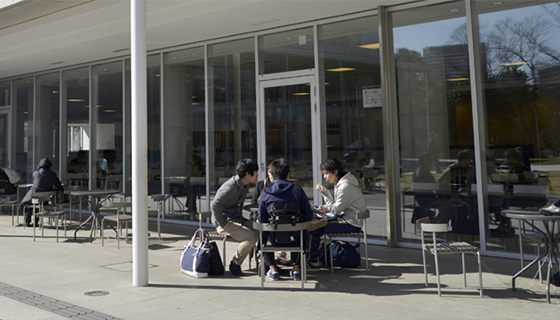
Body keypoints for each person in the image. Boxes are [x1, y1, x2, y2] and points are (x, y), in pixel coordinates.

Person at [258, 158, 313, 280]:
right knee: (300, 231)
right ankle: (296, 270)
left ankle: (272, 270)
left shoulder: (265, 193)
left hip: (273, 238)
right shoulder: (297, 190)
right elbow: (308, 216)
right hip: (294, 238)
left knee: (263, 234)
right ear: (288, 174)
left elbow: (262, 220)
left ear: (270, 174)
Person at [308, 158, 366, 268]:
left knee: (315, 227)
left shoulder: (345, 186)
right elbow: (336, 207)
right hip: (346, 219)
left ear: (335, 172)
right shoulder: (343, 183)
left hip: (350, 223)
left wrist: (325, 201)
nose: (325, 177)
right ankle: (313, 258)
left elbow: (335, 209)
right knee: (317, 222)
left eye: (326, 173)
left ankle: (312, 259)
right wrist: (325, 199)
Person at [211, 158, 259, 276]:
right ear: (247, 174)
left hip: (236, 219)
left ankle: (264, 262)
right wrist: (222, 223)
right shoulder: (230, 186)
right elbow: (215, 205)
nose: (257, 175)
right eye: (256, 172)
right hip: (225, 221)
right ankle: (235, 263)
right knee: (251, 237)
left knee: (261, 230)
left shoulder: (245, 185)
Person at [19, 157, 64, 227]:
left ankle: (27, 221)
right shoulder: (52, 174)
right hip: (45, 199)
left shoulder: (35, 174)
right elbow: (59, 186)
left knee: (29, 202)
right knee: (37, 203)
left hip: (35, 197)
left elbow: (36, 184)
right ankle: (36, 221)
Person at [411, 152, 454, 223]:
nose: (433, 164)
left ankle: (436, 220)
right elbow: (434, 186)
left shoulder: (417, 172)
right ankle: (438, 223)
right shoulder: (425, 173)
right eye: (432, 162)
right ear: (427, 163)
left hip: (420, 198)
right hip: (428, 199)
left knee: (444, 204)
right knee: (450, 207)